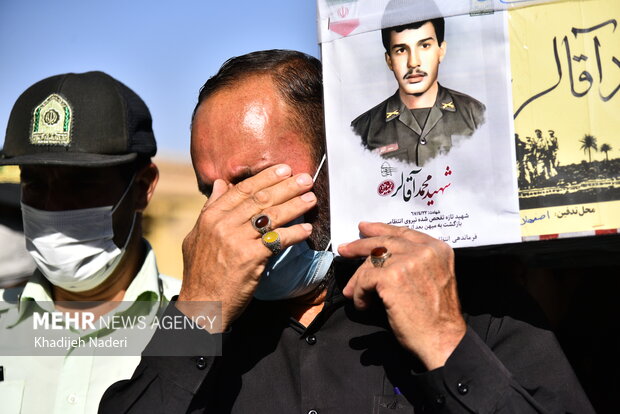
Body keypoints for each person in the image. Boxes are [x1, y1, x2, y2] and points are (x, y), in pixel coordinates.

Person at [100, 50, 593, 413]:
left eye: (253, 180)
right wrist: (196, 313)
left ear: (333, 163)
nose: (226, 216)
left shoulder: (462, 295)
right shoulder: (196, 328)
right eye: (212, 191)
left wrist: (445, 341)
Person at [0, 71, 180, 413]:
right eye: (35, 184)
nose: (52, 206)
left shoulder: (198, 323)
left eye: (80, 184)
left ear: (142, 188)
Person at [351, 0, 486, 166]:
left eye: (424, 45)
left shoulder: (475, 114)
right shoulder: (362, 130)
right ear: (389, 60)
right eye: (401, 50)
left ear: (441, 51)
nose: (413, 62)